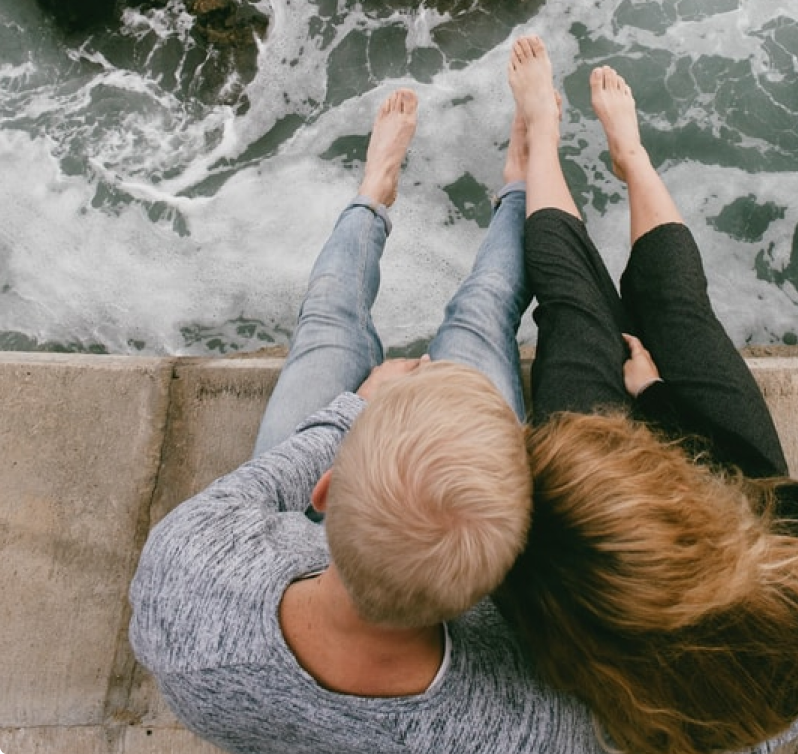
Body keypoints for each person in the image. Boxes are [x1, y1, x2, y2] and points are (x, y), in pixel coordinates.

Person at [128, 87, 606, 753]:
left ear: (321, 489)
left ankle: (373, 194)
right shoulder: (519, 720)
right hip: (410, 556)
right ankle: (518, 192)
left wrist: (356, 409)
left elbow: (262, 485)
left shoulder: (187, 576)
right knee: (482, 314)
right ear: (494, 586)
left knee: (329, 327)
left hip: (311, 541)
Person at [493, 35, 798, 754]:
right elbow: (745, 478)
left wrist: (634, 406)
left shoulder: (581, 626)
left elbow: (531, 573)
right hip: (733, 477)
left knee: (577, 312)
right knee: (679, 307)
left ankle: (542, 140)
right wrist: (659, 396)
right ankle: (630, 158)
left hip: (606, 541)